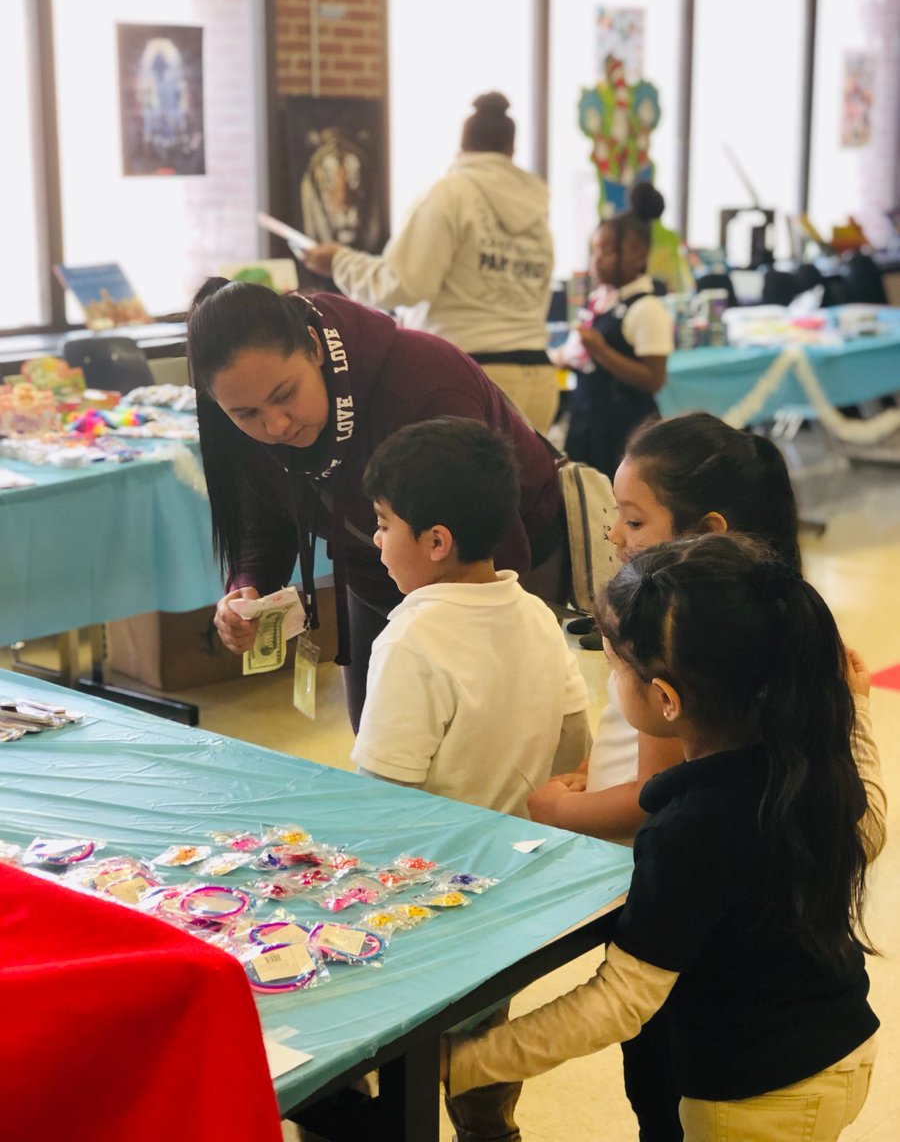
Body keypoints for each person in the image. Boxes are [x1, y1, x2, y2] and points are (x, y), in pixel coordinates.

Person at [445, 532, 885, 1142]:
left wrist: (462, 1062)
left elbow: (621, 1000)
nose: (608, 671)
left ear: (666, 699)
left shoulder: (692, 830)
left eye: (614, 661)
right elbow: (868, 828)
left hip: (756, 1097)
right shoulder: (803, 761)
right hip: (840, 1052)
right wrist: (855, 711)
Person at [530, 411, 806, 1142]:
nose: (614, 535)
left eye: (631, 518)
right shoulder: (767, 617)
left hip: (669, 915)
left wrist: (553, 809)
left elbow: (652, 803)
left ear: (704, 529)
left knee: (663, 1092)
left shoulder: (678, 652)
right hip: (727, 928)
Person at [186, 279, 564, 732]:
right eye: (245, 414)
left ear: (314, 346)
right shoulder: (245, 418)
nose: (276, 424)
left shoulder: (421, 386)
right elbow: (265, 524)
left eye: (285, 394)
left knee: (486, 739)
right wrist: (246, 590)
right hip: (375, 568)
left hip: (495, 568)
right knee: (380, 739)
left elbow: (494, 548)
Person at [352, 417, 590, 818]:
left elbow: (382, 794)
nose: (376, 538)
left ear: (436, 542)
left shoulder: (409, 641)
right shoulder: (537, 613)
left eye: (383, 523)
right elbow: (573, 743)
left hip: (442, 865)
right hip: (528, 845)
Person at [301, 92, 559, 434]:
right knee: (526, 488)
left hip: (472, 376)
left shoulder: (451, 195)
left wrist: (339, 262)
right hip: (539, 376)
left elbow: (403, 284)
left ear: (462, 147)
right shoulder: (537, 214)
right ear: (512, 151)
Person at [560, 182, 674, 480]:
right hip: (589, 419)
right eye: (594, 251)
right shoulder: (603, 301)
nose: (597, 260)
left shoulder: (647, 308)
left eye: (607, 251)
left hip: (622, 430)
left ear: (638, 253)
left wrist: (601, 351)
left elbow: (653, 378)